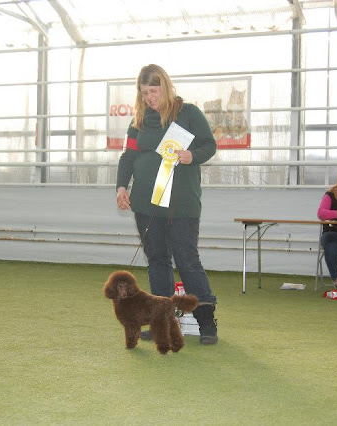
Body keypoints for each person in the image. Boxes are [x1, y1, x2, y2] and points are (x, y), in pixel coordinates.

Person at [115, 64, 218, 344]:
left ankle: (207, 321)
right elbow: (128, 157)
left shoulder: (189, 113)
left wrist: (192, 156)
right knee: (158, 261)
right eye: (144, 93)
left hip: (182, 204)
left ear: (166, 86)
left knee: (187, 261)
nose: (150, 98)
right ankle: (160, 322)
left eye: (154, 90)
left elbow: (209, 145)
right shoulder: (138, 122)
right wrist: (121, 186)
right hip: (145, 204)